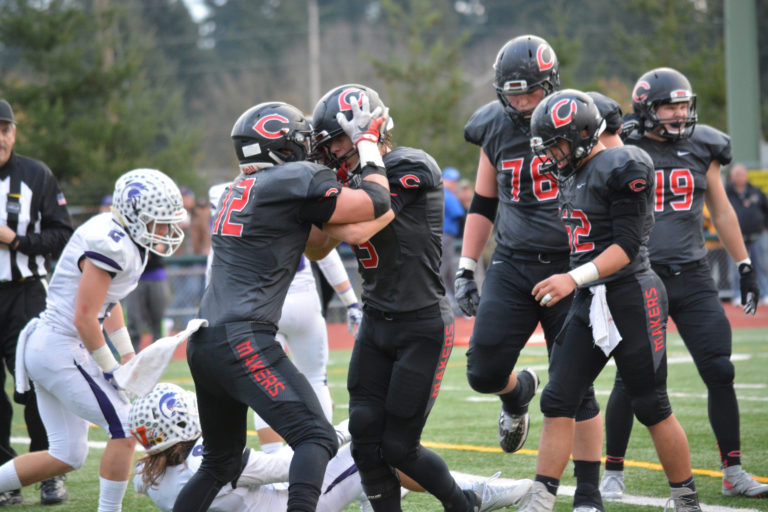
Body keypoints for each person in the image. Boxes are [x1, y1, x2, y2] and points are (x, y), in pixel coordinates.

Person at [174, 100, 394, 512]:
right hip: (244, 337)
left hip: (204, 341)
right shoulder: (296, 177)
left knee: (220, 462)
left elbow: (315, 244)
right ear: (284, 147)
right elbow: (374, 203)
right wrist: (368, 147)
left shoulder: (239, 189)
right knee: (318, 438)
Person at [519, 88, 702, 512]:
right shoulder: (575, 169)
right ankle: (541, 499)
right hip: (591, 295)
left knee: (651, 404)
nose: (550, 153)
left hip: (631, 292)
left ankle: (686, 500)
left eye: (556, 143)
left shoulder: (625, 164)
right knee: (558, 398)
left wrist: (571, 277)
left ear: (583, 134)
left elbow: (626, 245)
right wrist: (576, 281)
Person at [311, 83, 488, 512]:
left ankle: (461, 505)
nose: (332, 151)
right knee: (365, 440)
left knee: (398, 446)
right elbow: (315, 248)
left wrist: (328, 200)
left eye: (338, 139)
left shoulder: (411, 164)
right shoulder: (352, 180)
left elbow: (359, 229)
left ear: (367, 130)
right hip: (376, 323)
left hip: (420, 324)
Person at [600, 67, 768, 501]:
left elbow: (723, 210)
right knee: (632, 378)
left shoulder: (704, 145)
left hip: (693, 275)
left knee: (720, 369)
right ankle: (612, 470)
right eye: (669, 106)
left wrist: (745, 265)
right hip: (641, 275)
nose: (678, 114)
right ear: (646, 109)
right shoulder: (623, 145)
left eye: (683, 105)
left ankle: (732, 470)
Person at [454, 36, 605, 512]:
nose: (520, 104)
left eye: (529, 93)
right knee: (482, 372)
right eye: (511, 94)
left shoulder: (582, 115)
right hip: (514, 264)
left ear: (551, 84)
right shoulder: (494, 127)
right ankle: (517, 392)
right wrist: (465, 266)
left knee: (576, 386)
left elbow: (616, 178)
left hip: (572, 266)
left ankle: (587, 492)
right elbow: (483, 201)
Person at [0, 168, 187, 512]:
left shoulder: (122, 237)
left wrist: (127, 354)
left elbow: (108, 302)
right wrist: (111, 368)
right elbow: (85, 318)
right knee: (126, 428)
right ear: (134, 214)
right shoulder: (111, 244)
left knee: (66, 454)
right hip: (61, 346)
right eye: (158, 221)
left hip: (56, 346)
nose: (166, 230)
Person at [130, 383, 532, 512]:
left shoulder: (148, 479)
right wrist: (342, 429)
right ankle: (471, 494)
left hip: (267, 500)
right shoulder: (209, 460)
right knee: (372, 446)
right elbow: (292, 465)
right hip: (301, 501)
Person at [207, 180, 362, 450]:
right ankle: (320, 456)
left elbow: (214, 277)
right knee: (315, 377)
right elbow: (326, 256)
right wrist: (351, 302)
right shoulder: (286, 198)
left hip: (262, 305)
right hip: (303, 299)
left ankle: (274, 463)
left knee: (264, 386)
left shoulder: (229, 222)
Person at [0, 98, 73, 506]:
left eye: (4, 128)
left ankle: (47, 471)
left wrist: (16, 241)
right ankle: (5, 479)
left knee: (35, 385)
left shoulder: (34, 175)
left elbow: (63, 234)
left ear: (13, 132)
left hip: (26, 292)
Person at [726, 163, 768, 303]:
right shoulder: (726, 193)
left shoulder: (756, 191)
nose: (739, 177)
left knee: (761, 265)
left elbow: (766, 209)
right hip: (735, 237)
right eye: (736, 175)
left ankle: (764, 294)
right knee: (738, 268)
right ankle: (738, 295)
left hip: (757, 235)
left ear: (746, 176)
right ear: (732, 177)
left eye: (742, 174)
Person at [123, 250, 171, 352]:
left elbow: (161, 247)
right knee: (133, 318)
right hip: (134, 276)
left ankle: (159, 352)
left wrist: (144, 250)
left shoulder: (156, 234)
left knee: (157, 317)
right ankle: (131, 355)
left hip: (156, 274)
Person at [441, 167, 466, 314]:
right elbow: (459, 214)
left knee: (448, 270)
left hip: (445, 235)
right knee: (444, 269)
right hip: (444, 235)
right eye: (451, 180)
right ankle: (445, 304)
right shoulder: (446, 194)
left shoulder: (446, 194)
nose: (453, 183)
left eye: (454, 181)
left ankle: (453, 303)